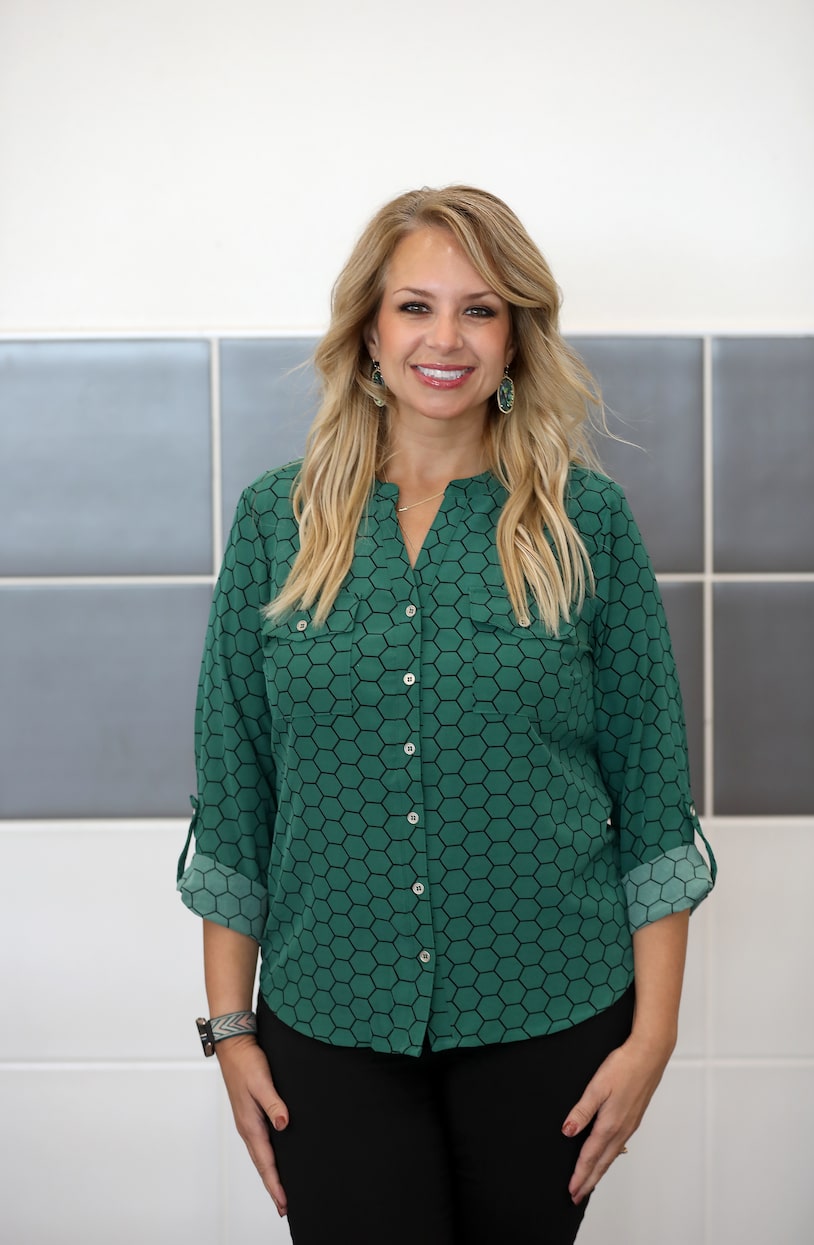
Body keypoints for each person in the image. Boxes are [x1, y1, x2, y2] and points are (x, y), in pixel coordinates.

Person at [177, 185, 715, 1245]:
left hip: (553, 1012)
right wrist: (230, 1031)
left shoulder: (583, 523)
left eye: (478, 309)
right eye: (414, 306)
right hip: (327, 1020)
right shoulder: (275, 524)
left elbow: (652, 797)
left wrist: (651, 1040)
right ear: (368, 334)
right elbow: (236, 793)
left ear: (514, 338)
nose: (445, 337)